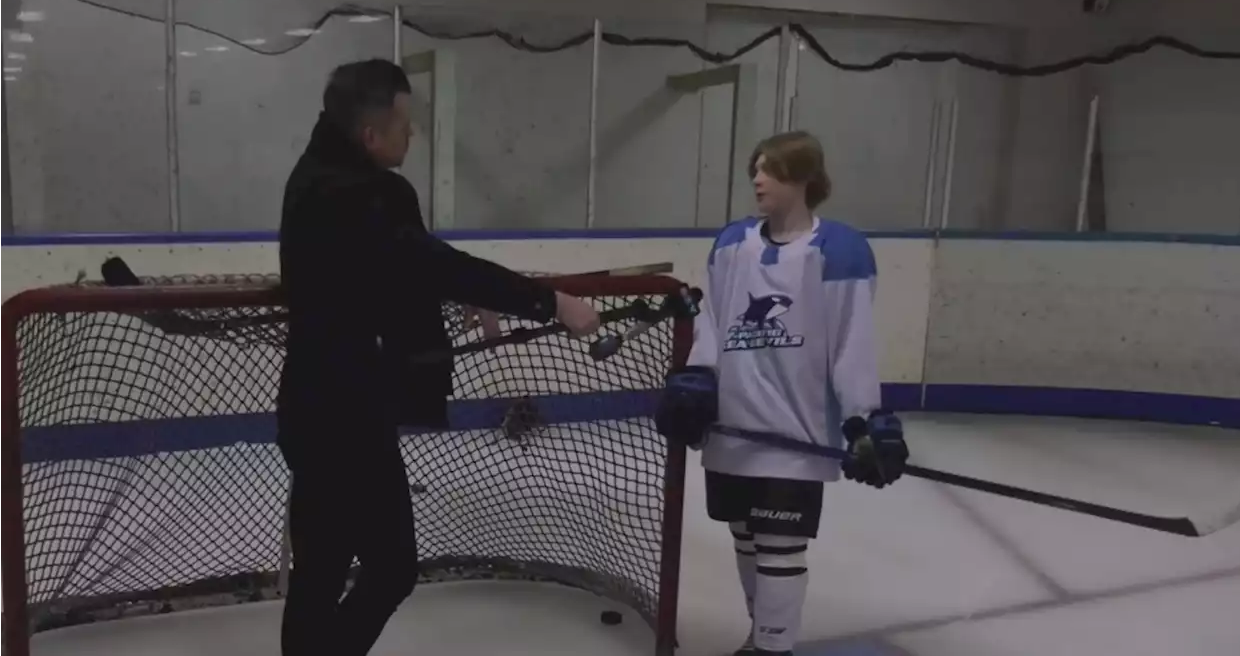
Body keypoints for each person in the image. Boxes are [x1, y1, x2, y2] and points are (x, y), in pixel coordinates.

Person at [275, 58, 601, 656]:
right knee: (383, 568)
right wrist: (551, 302)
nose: (411, 134)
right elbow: (427, 262)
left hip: (321, 406)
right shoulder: (362, 192)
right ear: (370, 134)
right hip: (344, 418)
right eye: (403, 123)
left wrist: (460, 294)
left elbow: (384, 271)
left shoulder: (317, 175)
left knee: (323, 574)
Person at [656, 131, 909, 656]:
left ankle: (774, 649)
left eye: (770, 169)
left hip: (796, 436)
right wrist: (698, 378)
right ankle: (761, 635)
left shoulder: (840, 251)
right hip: (732, 427)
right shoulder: (731, 244)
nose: (757, 178)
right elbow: (713, 323)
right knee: (746, 539)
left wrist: (864, 418)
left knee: (779, 547)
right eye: (756, 168)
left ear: (803, 179)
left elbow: (852, 343)